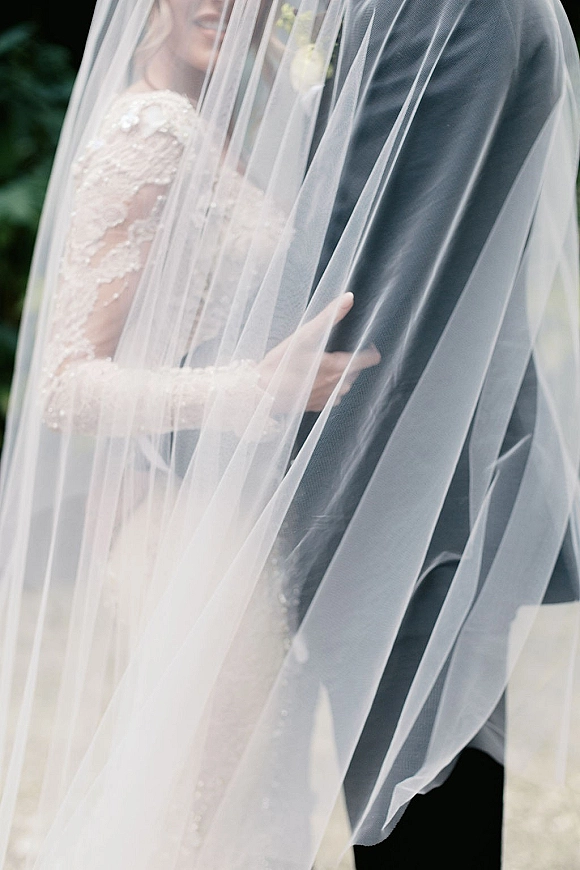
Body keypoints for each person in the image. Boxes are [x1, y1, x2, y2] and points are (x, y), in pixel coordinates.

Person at [0, 2, 578, 869]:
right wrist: (246, 391)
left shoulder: (276, 108)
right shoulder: (150, 130)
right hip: (190, 513)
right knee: (220, 817)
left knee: (278, 812)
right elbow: (63, 384)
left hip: (269, 510)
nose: (215, 5)